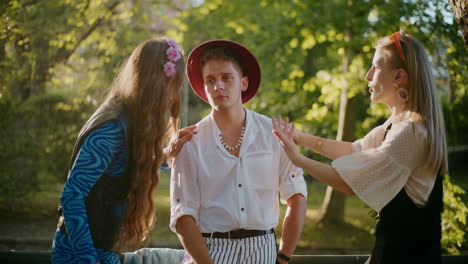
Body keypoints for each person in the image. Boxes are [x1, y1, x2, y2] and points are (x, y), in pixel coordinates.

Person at [272, 30, 447, 264]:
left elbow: (348, 183)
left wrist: (299, 160)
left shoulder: (411, 132)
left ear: (398, 77)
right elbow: (354, 150)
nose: (367, 76)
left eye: (375, 67)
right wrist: (300, 138)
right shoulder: (396, 125)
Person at [51, 37, 196, 264]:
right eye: (173, 85)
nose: (173, 95)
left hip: (103, 252)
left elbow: (124, 168)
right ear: (156, 83)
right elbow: (71, 196)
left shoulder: (130, 118)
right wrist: (89, 259)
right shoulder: (111, 129)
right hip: (79, 255)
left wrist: (168, 155)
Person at [170, 40, 308, 264]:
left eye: (227, 77)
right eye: (210, 80)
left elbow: (297, 197)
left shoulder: (274, 135)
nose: (218, 86)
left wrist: (283, 257)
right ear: (204, 88)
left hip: (264, 250)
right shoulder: (190, 142)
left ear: (243, 83)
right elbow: (183, 216)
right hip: (209, 252)